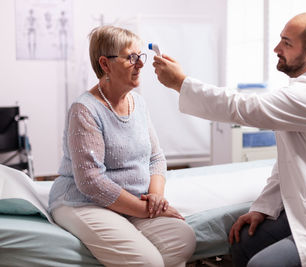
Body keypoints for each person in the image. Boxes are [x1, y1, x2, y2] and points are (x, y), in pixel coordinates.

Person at [152, 12, 306, 267]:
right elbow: (288, 163)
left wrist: (180, 82)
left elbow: (241, 106)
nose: (277, 48)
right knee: (243, 240)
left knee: (262, 264)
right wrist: (261, 208)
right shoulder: (303, 92)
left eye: (287, 43)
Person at [48, 25, 196, 267]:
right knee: (148, 262)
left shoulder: (138, 103)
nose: (140, 64)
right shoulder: (85, 109)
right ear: (105, 64)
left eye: (140, 56)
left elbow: (156, 158)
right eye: (131, 57)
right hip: (83, 201)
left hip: (133, 203)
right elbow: (90, 182)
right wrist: (146, 210)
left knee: (183, 238)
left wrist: (155, 199)